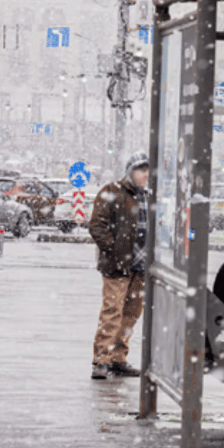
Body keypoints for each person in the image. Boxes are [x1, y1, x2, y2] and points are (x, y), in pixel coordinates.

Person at [89, 152, 150, 380]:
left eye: (147, 170)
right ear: (130, 171)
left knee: (131, 313)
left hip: (141, 266)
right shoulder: (112, 191)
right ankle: (101, 359)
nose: (145, 175)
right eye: (141, 170)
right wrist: (113, 250)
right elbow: (96, 225)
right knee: (112, 312)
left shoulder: (150, 196)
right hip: (117, 265)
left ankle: (118, 358)